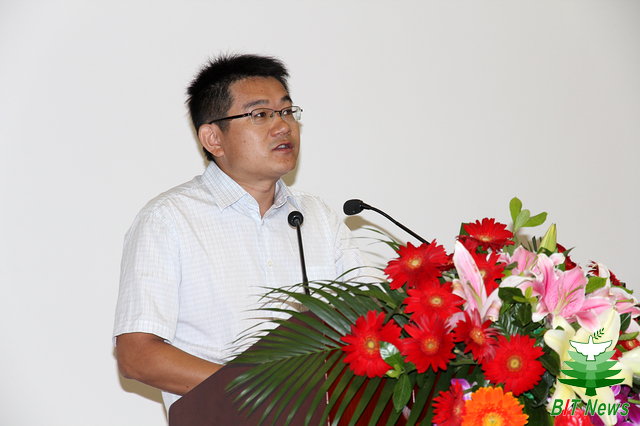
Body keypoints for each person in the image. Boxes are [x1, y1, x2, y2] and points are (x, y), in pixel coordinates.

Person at [113, 53, 371, 411]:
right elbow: (137, 356)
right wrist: (257, 390)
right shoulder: (168, 219)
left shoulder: (317, 217)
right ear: (213, 138)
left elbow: (371, 325)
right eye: (260, 114)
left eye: (287, 111)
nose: (283, 126)